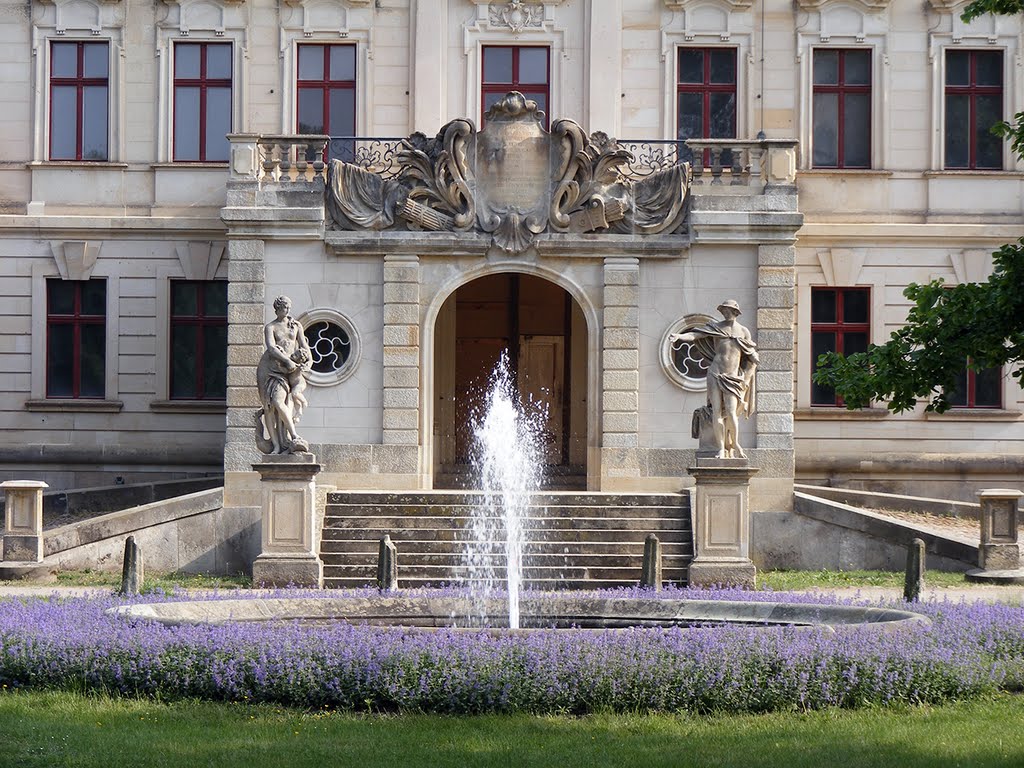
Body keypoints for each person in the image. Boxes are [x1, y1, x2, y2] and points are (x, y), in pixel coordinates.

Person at [670, 299, 758, 459]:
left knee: (731, 412)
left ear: (735, 312)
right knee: (716, 412)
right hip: (715, 373)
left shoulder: (744, 332)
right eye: (723, 310)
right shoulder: (716, 327)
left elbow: (751, 358)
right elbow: (695, 335)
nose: (725, 312)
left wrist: (747, 376)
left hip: (733, 377)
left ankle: (735, 445)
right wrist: (679, 336)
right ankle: (721, 448)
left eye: (728, 310)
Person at [256, 296, 312, 454]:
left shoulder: (296, 325)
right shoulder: (271, 327)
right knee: (272, 405)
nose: (286, 311)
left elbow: (304, 346)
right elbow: (272, 348)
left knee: (286, 403)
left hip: (291, 370)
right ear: (276, 310)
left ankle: (289, 438)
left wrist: (309, 362)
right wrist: (287, 361)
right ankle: (278, 444)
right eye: (282, 308)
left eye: (288, 308)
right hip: (272, 369)